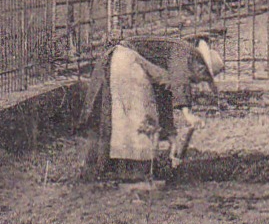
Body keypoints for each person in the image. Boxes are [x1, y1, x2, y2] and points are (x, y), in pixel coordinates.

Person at [81, 32, 223, 180]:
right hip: (127, 61)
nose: (197, 82)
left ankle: (116, 170)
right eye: (203, 78)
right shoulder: (185, 52)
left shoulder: (172, 64)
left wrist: (171, 136)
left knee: (135, 120)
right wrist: (187, 114)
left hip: (125, 61)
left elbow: (164, 97)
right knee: (139, 119)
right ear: (200, 67)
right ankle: (133, 173)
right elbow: (180, 82)